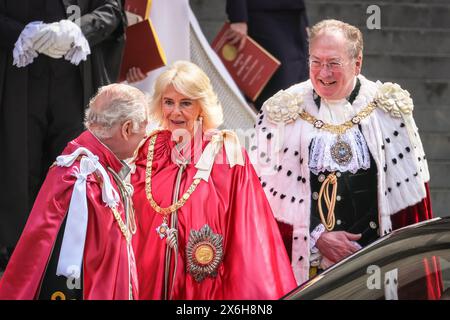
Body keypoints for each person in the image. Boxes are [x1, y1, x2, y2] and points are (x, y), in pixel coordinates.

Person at [251, 19, 434, 288]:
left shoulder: (389, 109)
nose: (323, 73)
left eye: (334, 63)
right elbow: (262, 202)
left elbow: (413, 209)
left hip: (377, 273)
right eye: (316, 62)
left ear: (357, 63)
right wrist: (317, 237)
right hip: (311, 275)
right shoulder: (281, 112)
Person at [131, 61, 296, 300]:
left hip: (206, 289)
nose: (175, 112)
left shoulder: (227, 153)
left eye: (185, 103)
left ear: (201, 107)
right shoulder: (148, 148)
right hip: (149, 284)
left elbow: (248, 232)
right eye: (169, 102)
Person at [0, 0, 127, 270]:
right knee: (17, 169)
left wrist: (79, 30)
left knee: (74, 172)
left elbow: (112, 11)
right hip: (17, 79)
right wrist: (20, 33)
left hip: (75, 79)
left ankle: (68, 268)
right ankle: (18, 267)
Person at [0, 83, 148, 300]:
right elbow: (70, 275)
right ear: (126, 129)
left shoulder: (88, 166)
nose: (144, 138)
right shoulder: (83, 182)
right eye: (142, 130)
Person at [225, 0, 309, 109]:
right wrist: (238, 17)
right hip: (262, 13)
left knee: (301, 78)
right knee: (280, 80)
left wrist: (304, 19)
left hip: (294, 13)